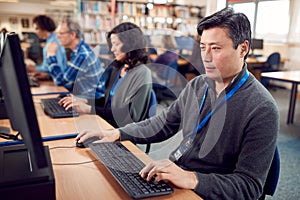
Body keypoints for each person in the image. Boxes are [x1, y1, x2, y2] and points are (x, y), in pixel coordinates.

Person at [76, 7, 279, 200]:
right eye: (202, 48)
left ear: (243, 48)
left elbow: (249, 187)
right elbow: (163, 123)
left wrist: (191, 178)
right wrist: (117, 133)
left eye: (216, 48)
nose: (206, 58)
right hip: (178, 176)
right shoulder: (198, 85)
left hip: (205, 190)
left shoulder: (261, 107)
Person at [59, 22, 152, 128]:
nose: (112, 49)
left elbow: (129, 116)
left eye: (117, 44)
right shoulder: (118, 69)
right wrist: (83, 100)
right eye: (112, 45)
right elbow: (107, 102)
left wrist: (88, 109)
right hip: (106, 122)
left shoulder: (142, 73)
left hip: (120, 130)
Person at [47, 18, 103, 98]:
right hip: (82, 96)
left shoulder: (82, 54)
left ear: (73, 34)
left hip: (90, 102)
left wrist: (51, 56)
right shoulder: (80, 49)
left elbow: (60, 82)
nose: (57, 36)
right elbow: (68, 78)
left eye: (61, 33)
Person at [26, 15, 67, 81]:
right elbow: (47, 66)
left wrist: (35, 69)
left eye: (37, 28)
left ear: (43, 27)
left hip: (58, 82)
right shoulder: (50, 40)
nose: (36, 32)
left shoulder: (54, 42)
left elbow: (59, 68)